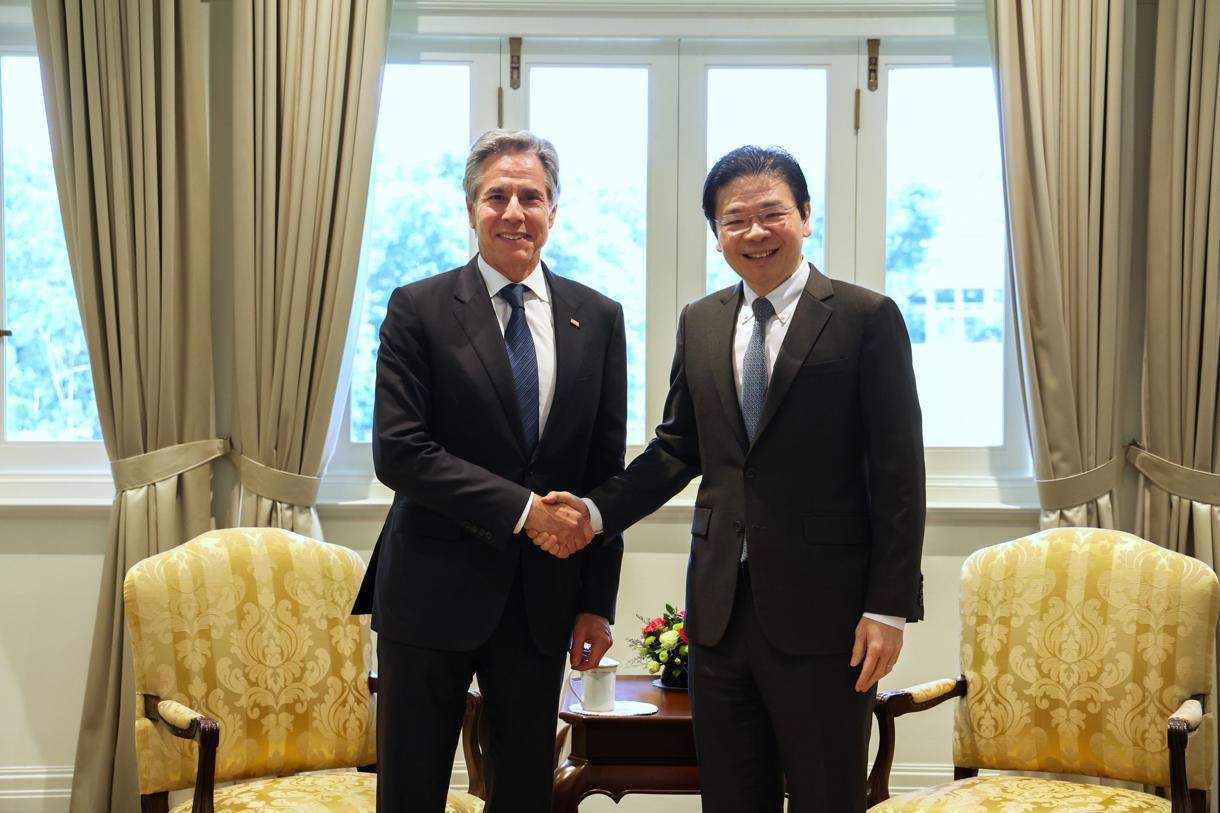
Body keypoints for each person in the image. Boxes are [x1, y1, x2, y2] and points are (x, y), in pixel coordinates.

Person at [533, 145, 925, 813]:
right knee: (732, 798)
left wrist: (887, 606)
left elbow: (899, 472)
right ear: (717, 234)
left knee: (828, 796)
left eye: (771, 213)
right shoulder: (702, 320)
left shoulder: (865, 319)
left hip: (828, 615)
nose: (755, 232)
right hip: (719, 614)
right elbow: (676, 448)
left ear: (805, 215)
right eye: (734, 219)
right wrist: (595, 514)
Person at [350, 129, 627, 812]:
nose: (514, 212)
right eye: (496, 196)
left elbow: (603, 471)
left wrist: (597, 599)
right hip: (428, 590)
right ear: (470, 209)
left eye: (530, 197)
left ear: (553, 212)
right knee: (411, 789)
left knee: (525, 789)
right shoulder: (418, 309)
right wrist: (525, 510)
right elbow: (401, 451)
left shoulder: (598, 317)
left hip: (541, 601)